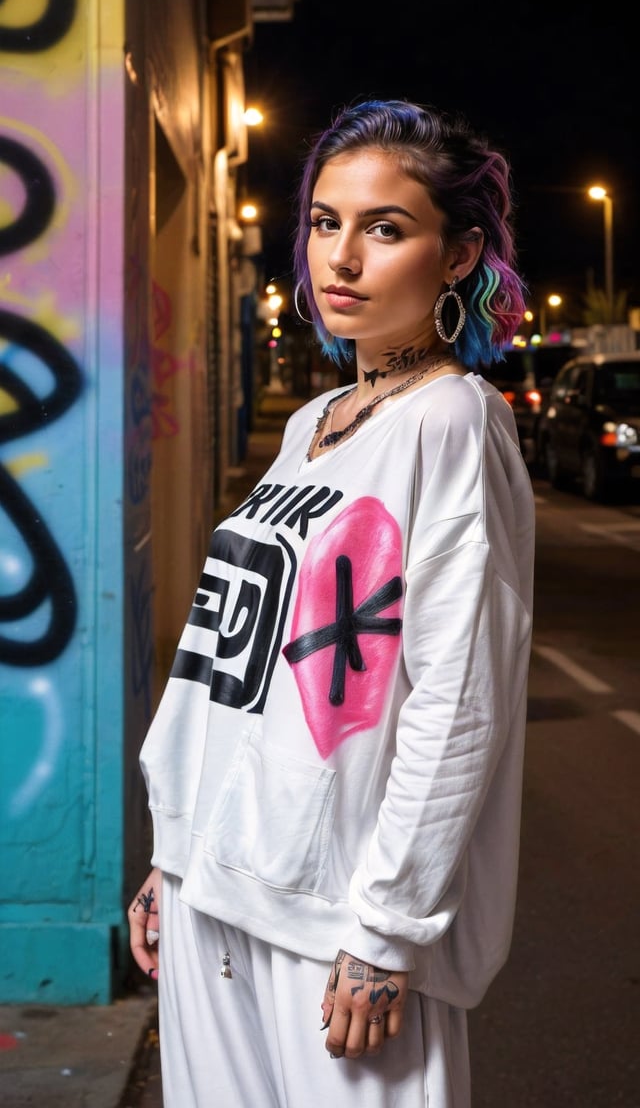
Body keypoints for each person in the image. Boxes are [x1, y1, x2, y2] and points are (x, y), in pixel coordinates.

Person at [129, 97, 535, 1108]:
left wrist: (387, 931)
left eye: (384, 228)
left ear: (458, 255)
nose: (341, 257)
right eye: (324, 222)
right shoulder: (313, 420)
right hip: (214, 886)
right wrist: (174, 851)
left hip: (335, 920)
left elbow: (458, 702)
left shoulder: (453, 421)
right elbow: (234, 660)